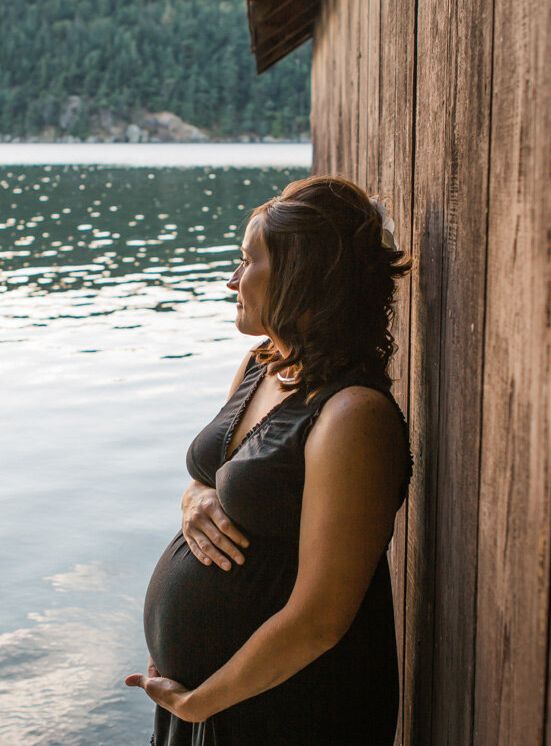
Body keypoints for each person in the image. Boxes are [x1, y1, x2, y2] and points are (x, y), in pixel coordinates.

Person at [124, 176, 413, 745]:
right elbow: (212, 476)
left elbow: (320, 620)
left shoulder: (353, 415)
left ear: (300, 276)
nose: (232, 279)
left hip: (289, 708)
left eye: (246, 261)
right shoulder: (265, 364)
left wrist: (198, 704)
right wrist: (194, 499)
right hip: (216, 698)